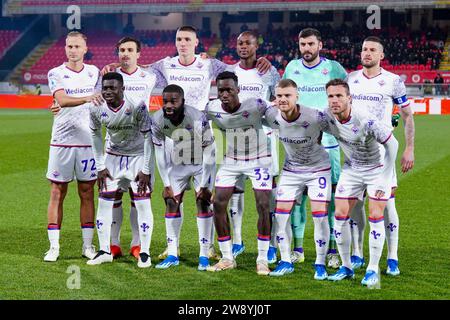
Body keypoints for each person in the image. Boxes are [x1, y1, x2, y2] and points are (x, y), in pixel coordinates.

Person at [103, 25, 271, 261]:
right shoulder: (165, 64)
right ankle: (174, 248)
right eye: (179, 39)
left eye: (187, 39)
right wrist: (115, 68)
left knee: (204, 196)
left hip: (201, 135)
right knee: (173, 194)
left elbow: (237, 71)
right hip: (173, 135)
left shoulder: (209, 63)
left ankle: (208, 247)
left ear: (196, 42)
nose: (182, 43)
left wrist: (260, 61)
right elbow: (140, 70)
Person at [347, 36, 415, 276]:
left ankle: (392, 256)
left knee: (386, 205)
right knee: (355, 204)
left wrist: (409, 148)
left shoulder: (393, 82)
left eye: (372, 50)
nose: (367, 53)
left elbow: (407, 116)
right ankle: (357, 252)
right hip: (355, 153)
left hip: (382, 153)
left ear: (381, 55)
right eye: (364, 49)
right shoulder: (351, 79)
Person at [323, 79, 399, 287]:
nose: (334, 100)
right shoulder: (327, 116)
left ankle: (372, 269)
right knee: (339, 215)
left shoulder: (364, 119)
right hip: (352, 168)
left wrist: (386, 174)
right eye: (331, 96)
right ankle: (346, 266)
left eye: (339, 96)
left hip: (376, 169)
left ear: (349, 98)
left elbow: (392, 144)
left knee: (376, 215)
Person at [282, 28, 347, 268]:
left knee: (330, 197)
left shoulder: (334, 68)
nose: (306, 49)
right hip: (297, 145)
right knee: (298, 199)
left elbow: (346, 96)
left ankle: (332, 250)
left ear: (320, 44)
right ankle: (298, 249)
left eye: (310, 44)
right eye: (302, 44)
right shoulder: (291, 68)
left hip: (329, 145)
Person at [204, 71, 273, 275]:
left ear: (238, 90)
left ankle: (262, 258)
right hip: (231, 161)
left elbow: (278, 112)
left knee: (263, 204)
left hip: (259, 159)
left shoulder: (256, 105)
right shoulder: (213, 108)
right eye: (221, 90)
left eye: (229, 90)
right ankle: (227, 257)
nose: (224, 94)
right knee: (217, 204)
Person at [265, 79, 332, 279]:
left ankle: (320, 263)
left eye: (288, 95)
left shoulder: (314, 116)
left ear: (297, 96)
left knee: (319, 217)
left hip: (318, 169)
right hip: (291, 170)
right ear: (275, 98)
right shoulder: (271, 115)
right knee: (280, 215)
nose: (283, 99)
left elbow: (340, 131)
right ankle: (285, 260)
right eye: (279, 96)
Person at [44, 31, 101, 262]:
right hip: (62, 141)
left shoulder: (94, 72)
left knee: (87, 192)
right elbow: (63, 100)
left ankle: (87, 246)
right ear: (65, 48)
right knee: (57, 191)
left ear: (85, 48)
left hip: (88, 142)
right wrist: (87, 98)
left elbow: (103, 98)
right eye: (69, 46)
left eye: (77, 46)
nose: (73, 50)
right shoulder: (55, 73)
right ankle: (54, 247)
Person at [87, 72, 154, 268]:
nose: (107, 91)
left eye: (112, 88)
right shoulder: (96, 107)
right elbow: (95, 134)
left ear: (122, 88)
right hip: (113, 158)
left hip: (137, 157)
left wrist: (146, 169)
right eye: (105, 88)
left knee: (142, 204)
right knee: (104, 203)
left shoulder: (137, 106)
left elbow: (149, 137)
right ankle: (105, 250)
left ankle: (145, 252)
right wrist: (100, 166)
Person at [227, 31, 281, 262]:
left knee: (268, 191)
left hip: (265, 137)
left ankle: (272, 243)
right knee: (235, 190)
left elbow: (281, 100)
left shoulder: (269, 72)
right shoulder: (230, 73)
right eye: (240, 43)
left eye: (248, 43)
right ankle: (237, 240)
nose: (243, 46)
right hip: (236, 138)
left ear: (256, 46)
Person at [152, 84, 216, 271]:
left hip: (201, 163)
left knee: (203, 202)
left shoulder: (196, 117)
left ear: (183, 102)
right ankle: (172, 253)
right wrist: (165, 183)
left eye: (174, 101)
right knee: (171, 201)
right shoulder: (157, 120)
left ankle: (204, 255)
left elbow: (210, 152)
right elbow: (160, 153)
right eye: (165, 101)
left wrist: (204, 184)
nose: (169, 105)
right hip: (179, 163)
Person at [109, 37, 157, 260]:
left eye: (130, 50)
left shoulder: (150, 77)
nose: (125, 54)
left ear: (139, 54)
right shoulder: (109, 77)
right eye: (121, 50)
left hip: (141, 149)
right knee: (113, 196)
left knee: (138, 198)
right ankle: (113, 243)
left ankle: (137, 245)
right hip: (115, 148)